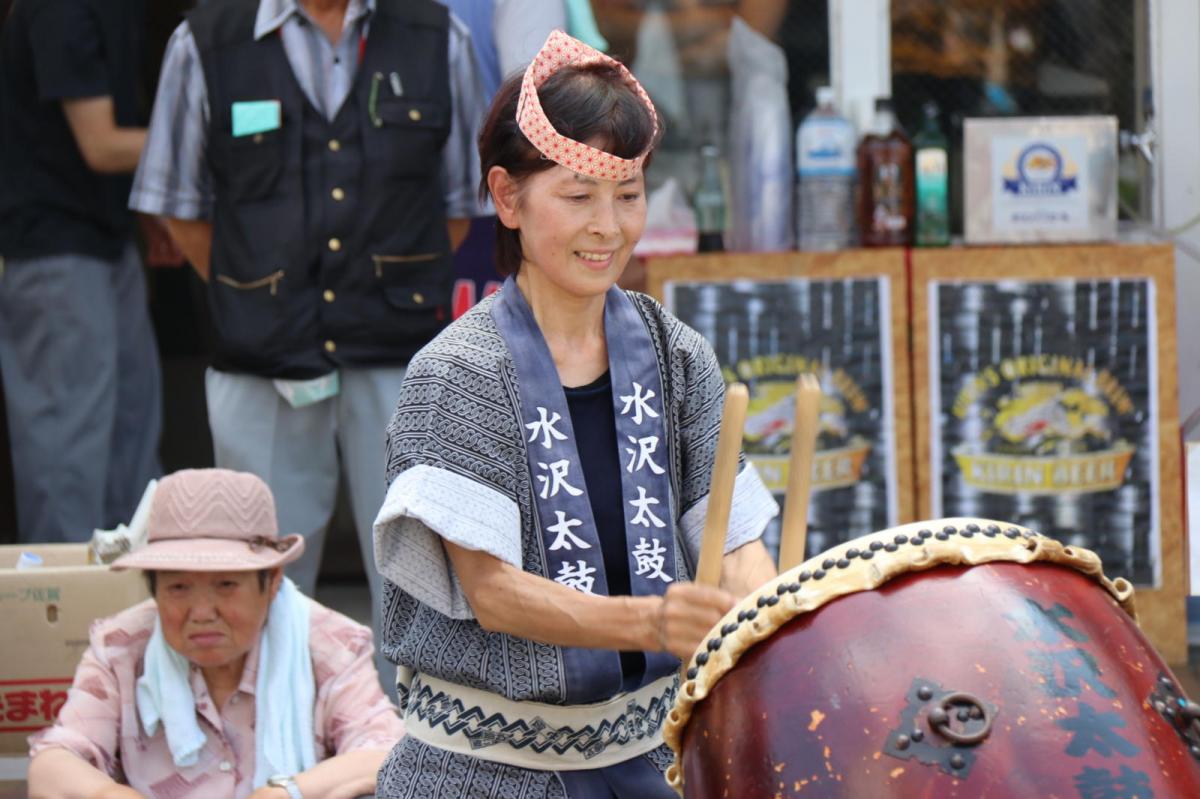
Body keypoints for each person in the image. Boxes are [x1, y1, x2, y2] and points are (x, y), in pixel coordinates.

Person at [371, 31, 779, 798]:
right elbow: (493, 591)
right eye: (578, 195)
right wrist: (652, 622)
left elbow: (732, 535)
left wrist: (762, 609)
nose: (608, 226)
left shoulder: (677, 354)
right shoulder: (457, 373)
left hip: (654, 758)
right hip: (484, 772)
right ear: (507, 197)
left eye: (628, 195)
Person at [129, 0, 490, 686]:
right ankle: (269, 735)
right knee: (257, 568)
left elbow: (458, 205)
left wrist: (382, 285)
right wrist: (256, 296)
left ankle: (411, 737)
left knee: (417, 566)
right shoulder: (206, 40)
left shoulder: (436, 35)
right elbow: (180, 207)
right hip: (260, 357)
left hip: (397, 350)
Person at [27, 468, 404, 799]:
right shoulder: (120, 647)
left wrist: (285, 793)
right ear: (153, 589)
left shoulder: (331, 643)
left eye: (226, 585)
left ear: (272, 582)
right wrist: (110, 794)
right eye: (178, 588)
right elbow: (53, 764)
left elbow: (383, 752)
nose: (202, 613)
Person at [0, 0, 163, 544]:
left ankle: (136, 581)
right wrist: (207, 137)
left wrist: (155, 210)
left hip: (110, 239)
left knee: (133, 428)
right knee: (67, 446)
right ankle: (62, 594)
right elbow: (101, 144)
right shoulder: (60, 8)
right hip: (52, 250)